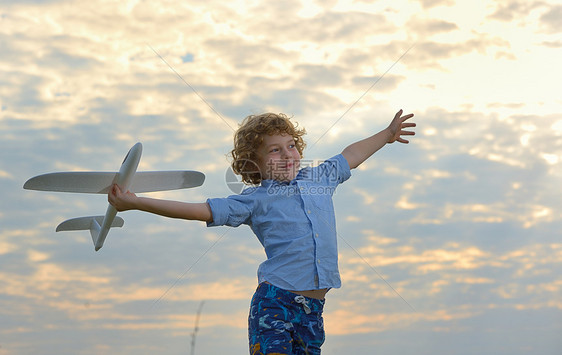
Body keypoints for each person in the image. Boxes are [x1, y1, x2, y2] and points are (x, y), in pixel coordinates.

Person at [108, 109, 415, 354]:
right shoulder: (255, 200)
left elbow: (351, 154)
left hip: (313, 312)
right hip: (275, 304)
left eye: (291, 146)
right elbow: (200, 210)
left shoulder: (319, 178)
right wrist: (137, 203)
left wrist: (387, 135)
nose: (288, 155)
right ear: (254, 165)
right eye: (274, 151)